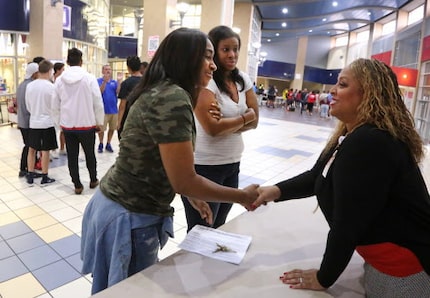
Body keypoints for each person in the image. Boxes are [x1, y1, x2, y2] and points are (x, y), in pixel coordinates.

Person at [80, 28, 259, 295]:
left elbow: (166, 163)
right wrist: (242, 196)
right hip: (128, 213)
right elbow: (185, 177)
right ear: (185, 58)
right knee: (128, 292)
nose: (213, 64)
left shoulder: (165, 90)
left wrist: (191, 194)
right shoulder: (172, 98)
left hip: (120, 205)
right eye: (207, 56)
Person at [252, 58, 430, 297]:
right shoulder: (353, 134)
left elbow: (347, 224)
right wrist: (273, 191)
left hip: (405, 267)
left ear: (368, 94)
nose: (332, 91)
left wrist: (323, 277)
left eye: (343, 84)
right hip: (382, 259)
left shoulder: (370, 142)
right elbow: (317, 176)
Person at [181, 25, 259, 232]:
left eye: (235, 49)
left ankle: (209, 265)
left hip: (232, 163)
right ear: (214, 51)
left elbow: (256, 119)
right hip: (205, 166)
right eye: (226, 49)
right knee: (202, 228)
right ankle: (194, 265)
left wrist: (229, 122)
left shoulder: (242, 78)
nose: (232, 55)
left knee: (219, 225)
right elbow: (212, 129)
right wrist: (245, 117)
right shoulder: (206, 82)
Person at [52, 48, 104, 195]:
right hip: (87, 125)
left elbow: (54, 105)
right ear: (81, 61)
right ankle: (93, 180)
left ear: (67, 61)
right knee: (89, 154)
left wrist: (59, 124)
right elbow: (97, 102)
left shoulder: (60, 80)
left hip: (68, 126)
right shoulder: (89, 78)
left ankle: (77, 185)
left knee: (72, 156)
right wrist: (99, 121)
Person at [25, 60, 57, 185]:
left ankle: (30, 174)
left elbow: (28, 105)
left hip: (34, 122)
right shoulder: (51, 87)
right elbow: (54, 107)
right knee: (45, 150)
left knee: (31, 149)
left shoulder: (30, 86)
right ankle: (44, 176)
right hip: (47, 122)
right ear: (49, 71)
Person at [16, 62, 40, 178]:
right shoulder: (30, 86)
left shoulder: (21, 85)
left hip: (22, 120)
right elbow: (30, 106)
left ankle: (27, 168)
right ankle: (24, 169)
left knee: (29, 145)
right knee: (30, 146)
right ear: (34, 73)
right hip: (28, 121)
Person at [97, 64, 122, 153]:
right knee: (101, 129)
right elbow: (99, 92)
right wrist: (104, 82)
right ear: (102, 71)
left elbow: (118, 92)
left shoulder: (114, 82)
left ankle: (108, 143)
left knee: (112, 128)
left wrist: (119, 82)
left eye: (109, 69)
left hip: (113, 110)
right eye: (106, 69)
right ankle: (100, 143)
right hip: (103, 110)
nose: (108, 71)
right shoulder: (98, 81)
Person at [117, 56, 142, 140]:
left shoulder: (126, 83)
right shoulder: (147, 81)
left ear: (128, 67)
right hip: (144, 118)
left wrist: (119, 122)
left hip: (128, 118)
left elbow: (122, 105)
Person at [51, 62, 67, 157]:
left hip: (62, 109)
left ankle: (62, 148)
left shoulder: (63, 81)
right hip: (52, 109)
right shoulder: (51, 80)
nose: (64, 71)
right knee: (53, 130)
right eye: (62, 69)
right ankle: (53, 149)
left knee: (62, 130)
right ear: (58, 70)